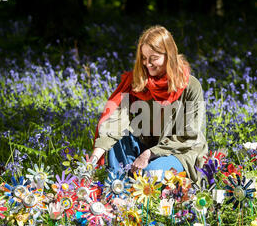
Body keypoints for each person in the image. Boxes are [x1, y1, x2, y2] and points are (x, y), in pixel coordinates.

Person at [88, 25, 208, 185]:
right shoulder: (137, 82)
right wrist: (92, 161)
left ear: (169, 55)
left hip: (179, 152)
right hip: (145, 146)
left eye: (154, 58)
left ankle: (136, 189)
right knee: (116, 141)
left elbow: (187, 137)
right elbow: (114, 122)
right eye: (144, 58)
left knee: (151, 173)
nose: (147, 64)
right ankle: (117, 189)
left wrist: (149, 154)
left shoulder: (190, 86)